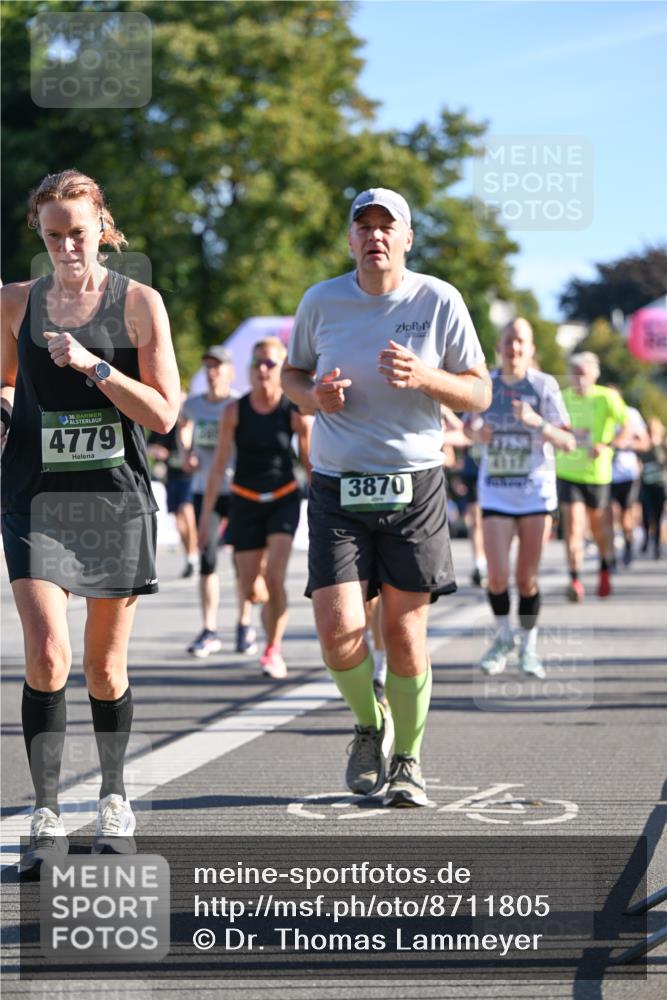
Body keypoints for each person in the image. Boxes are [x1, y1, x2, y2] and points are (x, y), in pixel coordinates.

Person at [282, 187, 491, 807]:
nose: (375, 236)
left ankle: (407, 759)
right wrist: (312, 396)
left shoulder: (438, 299)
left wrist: (425, 377)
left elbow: (478, 393)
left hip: (414, 484)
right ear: (350, 239)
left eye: (386, 227)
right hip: (337, 485)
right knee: (338, 629)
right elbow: (293, 375)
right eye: (363, 226)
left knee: (403, 636)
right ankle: (370, 726)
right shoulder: (321, 300)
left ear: (406, 238)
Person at [0, 169, 180, 875]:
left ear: (102, 226)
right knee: (48, 655)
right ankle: (45, 812)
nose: (67, 248)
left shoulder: (139, 303)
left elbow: (164, 414)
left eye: (78, 233)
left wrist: (96, 367)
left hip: (114, 501)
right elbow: (4, 382)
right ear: (38, 236)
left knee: (105, 668)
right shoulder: (15, 303)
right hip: (36, 499)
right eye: (52, 236)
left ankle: (112, 796)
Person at [199, 337, 312, 679]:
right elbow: (218, 466)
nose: (263, 370)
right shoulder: (235, 411)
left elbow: (309, 465)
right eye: (257, 363)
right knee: (251, 588)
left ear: (282, 370)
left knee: (275, 578)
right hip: (244, 500)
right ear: (248, 370)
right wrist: (206, 517)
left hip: (283, 499)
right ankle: (265, 609)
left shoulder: (294, 413)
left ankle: (272, 650)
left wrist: (324, 507)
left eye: (270, 364)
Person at [470, 318, 575, 679]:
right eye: (509, 341)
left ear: (531, 350)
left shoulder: (544, 386)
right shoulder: (485, 385)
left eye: (521, 342)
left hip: (534, 494)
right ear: (498, 347)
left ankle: (528, 646)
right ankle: (503, 637)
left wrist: (536, 423)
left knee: (526, 578)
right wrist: (476, 433)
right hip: (496, 491)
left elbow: (568, 441)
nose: (514, 348)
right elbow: (469, 430)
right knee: (497, 577)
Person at [181, 346, 242, 657]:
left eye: (218, 366)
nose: (212, 371)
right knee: (207, 558)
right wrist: (186, 453)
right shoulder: (194, 405)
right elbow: (183, 426)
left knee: (243, 562)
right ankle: (210, 629)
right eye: (208, 366)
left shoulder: (239, 404)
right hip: (206, 490)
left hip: (239, 490)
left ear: (230, 371)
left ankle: (244, 623)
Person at [556, 353, 631, 601]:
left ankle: (604, 570)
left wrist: (607, 445)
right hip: (567, 472)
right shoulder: (562, 398)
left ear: (594, 375)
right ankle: (574, 580)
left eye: (583, 373)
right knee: (573, 528)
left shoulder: (607, 397)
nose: (579, 379)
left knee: (600, 530)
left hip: (598, 475)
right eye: (574, 372)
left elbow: (627, 428)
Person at [147, 392, 198, 578]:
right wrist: (159, 452)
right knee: (179, 522)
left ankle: (193, 557)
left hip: (190, 478)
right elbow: (149, 445)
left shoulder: (192, 426)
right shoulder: (166, 426)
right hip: (173, 477)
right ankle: (190, 555)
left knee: (187, 513)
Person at [608, 394, 650, 567]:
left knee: (626, 516)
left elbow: (645, 443)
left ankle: (628, 545)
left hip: (627, 474)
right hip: (605, 473)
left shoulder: (631, 414)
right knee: (607, 515)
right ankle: (609, 556)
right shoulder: (599, 411)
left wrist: (624, 444)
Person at [638, 417, 667, 559]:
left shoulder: (663, 445)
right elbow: (639, 460)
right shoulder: (644, 445)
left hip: (660, 484)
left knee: (657, 515)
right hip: (646, 484)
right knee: (646, 515)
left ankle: (656, 546)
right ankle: (646, 539)